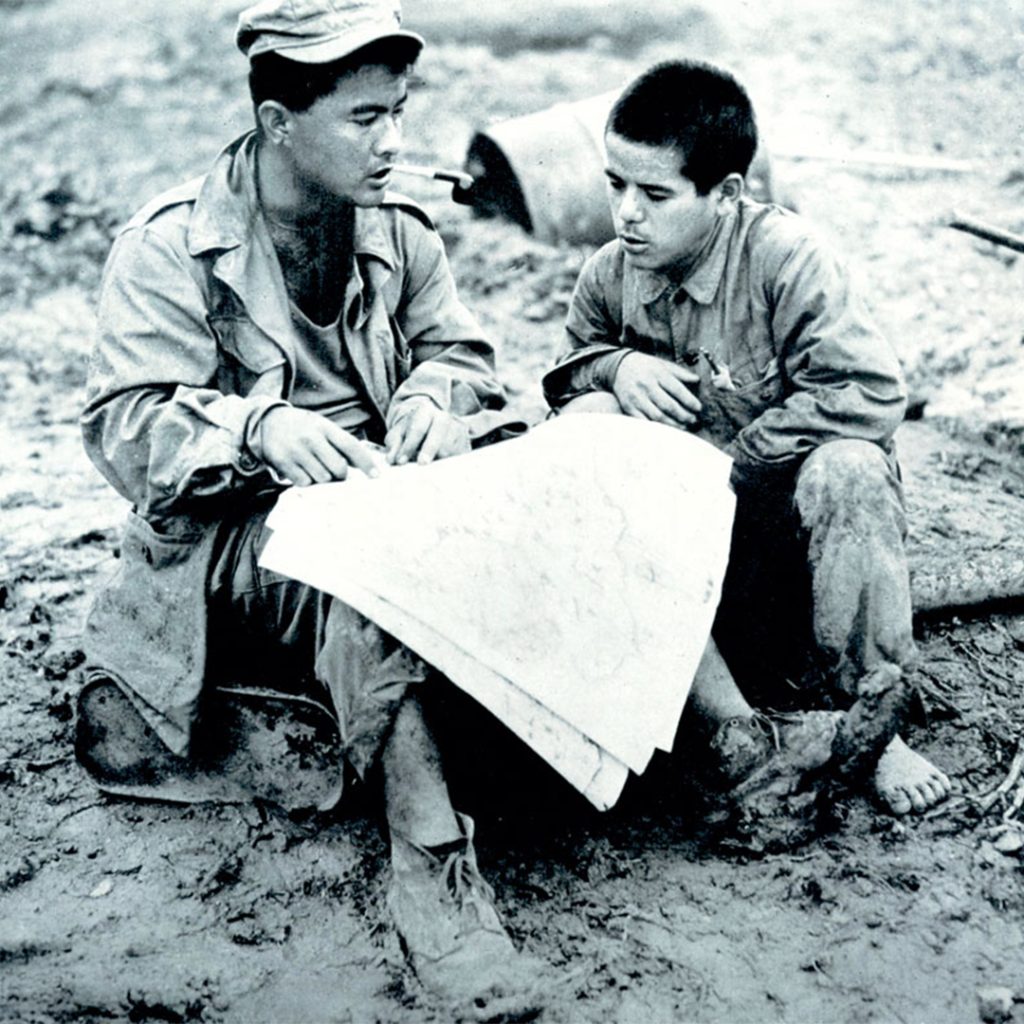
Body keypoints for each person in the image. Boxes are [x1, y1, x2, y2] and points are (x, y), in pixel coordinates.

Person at [77, 1, 543, 1013]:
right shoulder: (170, 248)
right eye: (365, 119)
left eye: (399, 113)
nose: (394, 143)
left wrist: (431, 396)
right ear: (279, 122)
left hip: (383, 498)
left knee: (551, 493)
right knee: (361, 568)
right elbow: (123, 432)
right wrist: (254, 429)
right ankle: (431, 866)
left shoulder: (393, 227)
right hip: (229, 545)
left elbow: (460, 354)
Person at [542, 59, 952, 817]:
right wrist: (614, 366)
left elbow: (868, 391)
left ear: (727, 194)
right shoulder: (610, 273)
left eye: (655, 194)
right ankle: (715, 718)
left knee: (850, 470)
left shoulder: (786, 260)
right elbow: (563, 377)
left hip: (785, 548)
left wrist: (731, 461)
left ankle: (873, 719)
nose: (626, 213)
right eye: (614, 185)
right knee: (586, 425)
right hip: (679, 573)